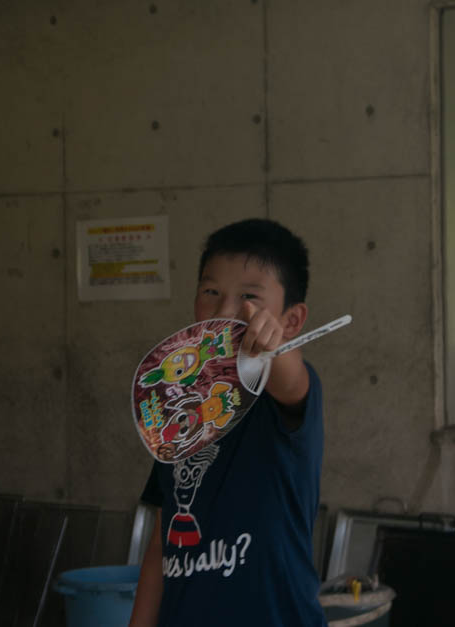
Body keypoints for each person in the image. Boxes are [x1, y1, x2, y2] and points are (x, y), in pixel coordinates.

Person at [129, 218, 327, 626]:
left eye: (250, 296)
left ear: (291, 320)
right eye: (211, 292)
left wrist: (273, 345)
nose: (224, 310)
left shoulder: (285, 396)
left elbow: (291, 378)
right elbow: (160, 541)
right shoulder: (175, 404)